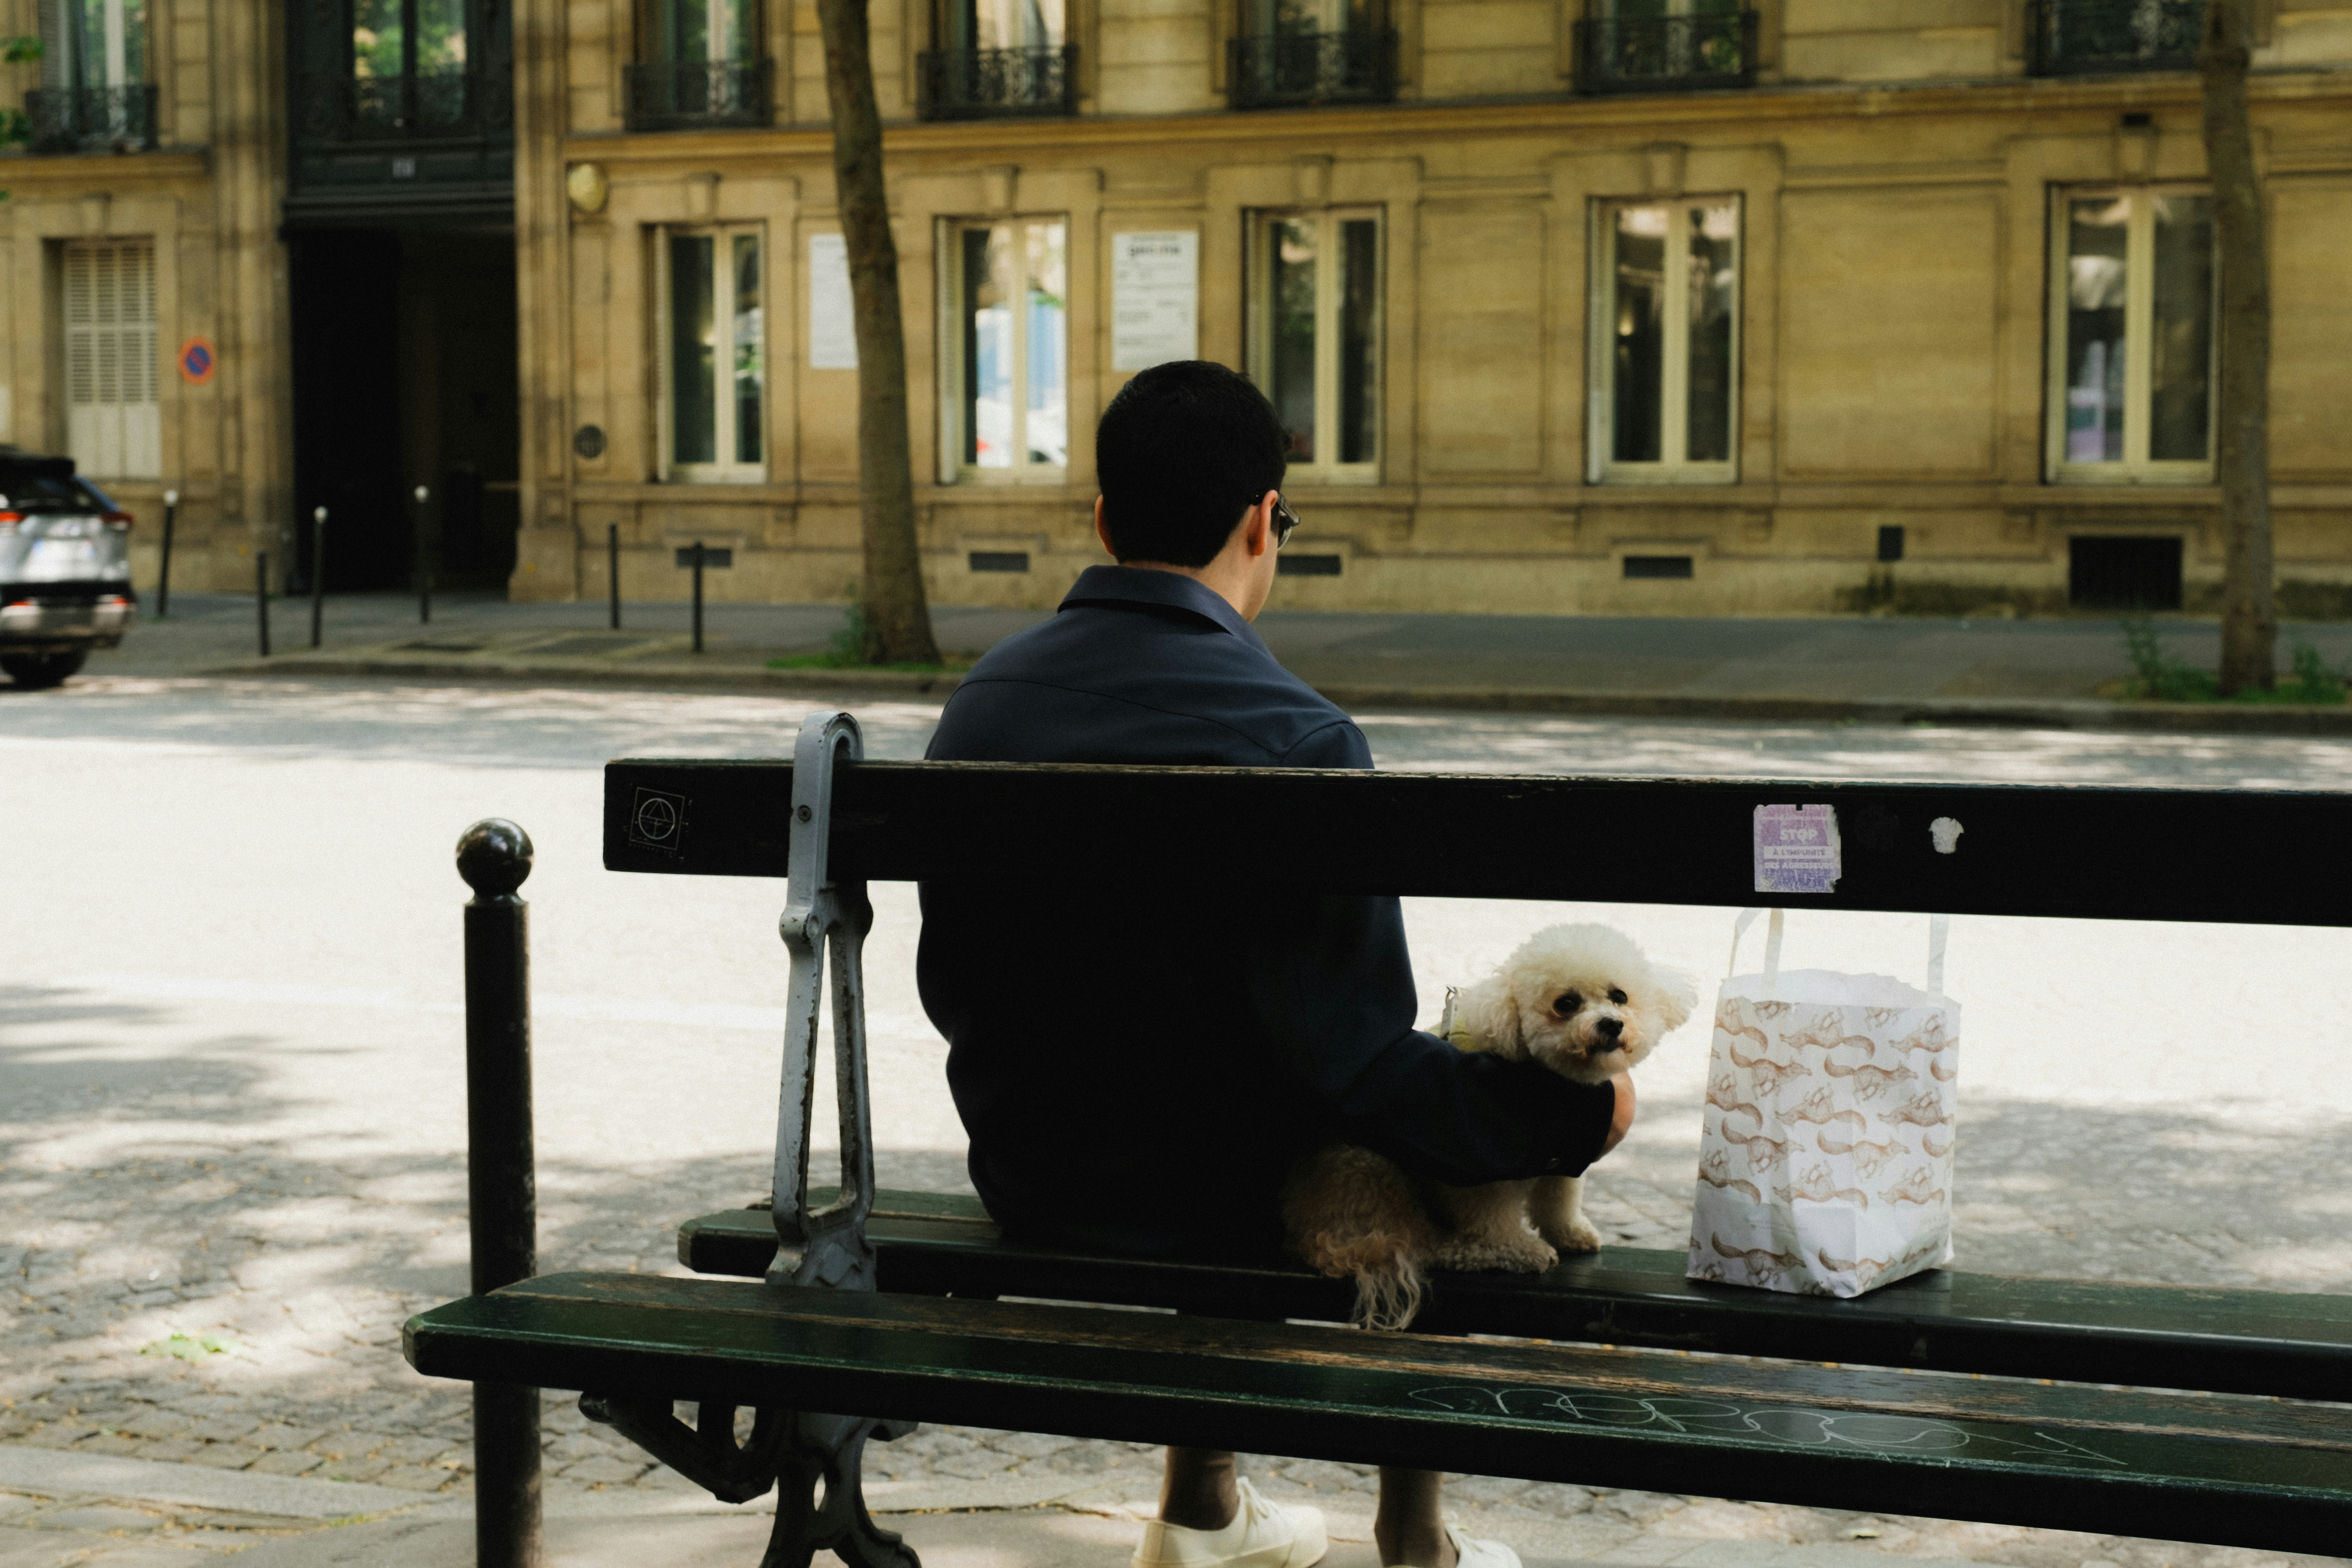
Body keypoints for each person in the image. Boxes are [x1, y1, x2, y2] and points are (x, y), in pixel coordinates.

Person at [917, 361, 1633, 1568]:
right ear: (1262, 521)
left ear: (1103, 522)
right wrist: (1565, 1121)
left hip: (1033, 1174)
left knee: (1220, 1069)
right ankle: (1417, 1549)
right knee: (1396, 1147)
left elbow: (957, 986)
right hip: (1231, 1203)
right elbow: (1353, 1062)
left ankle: (1203, 1517)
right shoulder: (1296, 736)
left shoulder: (981, 708)